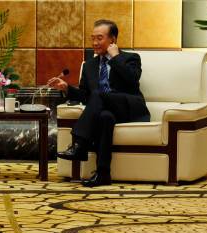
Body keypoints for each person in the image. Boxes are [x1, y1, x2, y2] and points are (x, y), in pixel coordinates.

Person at [49, 20, 150, 187]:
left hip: (129, 107)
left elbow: (132, 80)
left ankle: (79, 143)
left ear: (112, 39)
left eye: (100, 38)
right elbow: (86, 97)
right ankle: (103, 174)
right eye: (92, 38)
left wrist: (115, 57)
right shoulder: (89, 66)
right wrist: (67, 88)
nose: (95, 43)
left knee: (100, 96)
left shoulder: (130, 58)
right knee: (104, 117)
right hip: (106, 109)